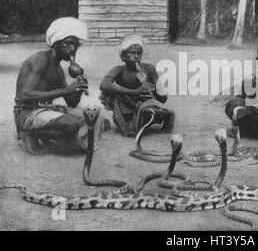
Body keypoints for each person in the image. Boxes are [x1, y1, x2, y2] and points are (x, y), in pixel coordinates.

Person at [14, 17, 105, 155]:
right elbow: (25, 95)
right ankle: (30, 133)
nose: (72, 48)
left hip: (46, 109)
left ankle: (66, 140)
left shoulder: (57, 69)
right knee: (71, 125)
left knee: (97, 118)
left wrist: (79, 89)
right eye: (68, 44)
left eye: (75, 45)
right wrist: (66, 90)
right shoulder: (40, 60)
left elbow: (71, 102)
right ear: (55, 43)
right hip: (27, 113)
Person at [99, 34, 174, 137]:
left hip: (145, 104)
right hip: (127, 105)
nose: (136, 56)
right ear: (123, 57)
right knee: (108, 94)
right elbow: (104, 85)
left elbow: (163, 98)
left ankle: (167, 115)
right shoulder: (119, 70)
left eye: (139, 53)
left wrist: (148, 86)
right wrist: (134, 92)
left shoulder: (149, 69)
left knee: (147, 112)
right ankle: (134, 121)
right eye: (132, 53)